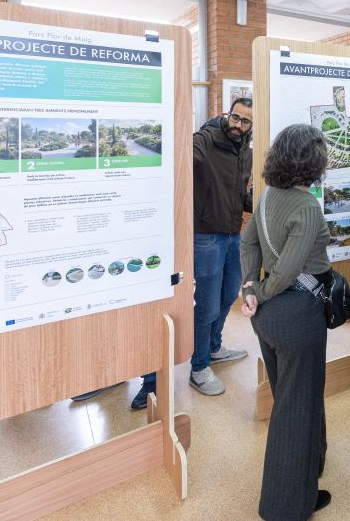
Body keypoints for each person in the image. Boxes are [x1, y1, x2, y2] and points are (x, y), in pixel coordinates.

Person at [129, 98, 253, 410]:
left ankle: (213, 347)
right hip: (206, 237)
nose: (238, 125)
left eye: (245, 121)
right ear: (226, 115)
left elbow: (237, 192)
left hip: (232, 234)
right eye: (234, 117)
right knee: (207, 304)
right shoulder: (205, 141)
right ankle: (199, 367)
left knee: (228, 296)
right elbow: (176, 160)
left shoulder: (246, 152)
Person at [239, 123, 332, 519]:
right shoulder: (307, 205)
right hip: (297, 314)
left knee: (293, 395)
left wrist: (249, 288)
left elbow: (248, 243)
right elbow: (289, 271)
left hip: (268, 318)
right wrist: (259, 291)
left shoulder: (267, 196)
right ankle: (286, 505)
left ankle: (310, 466)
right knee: (296, 407)